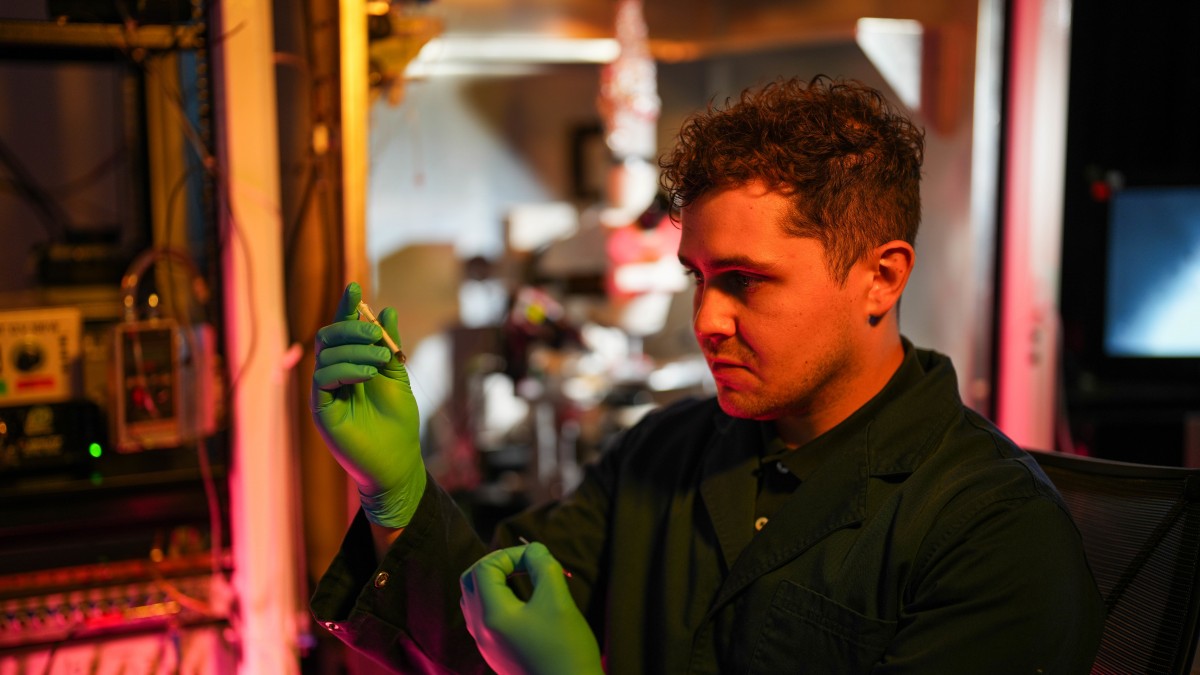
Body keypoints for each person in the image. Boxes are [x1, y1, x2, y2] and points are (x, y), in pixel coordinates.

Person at [310, 76, 1103, 674]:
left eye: (745, 280)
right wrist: (398, 493)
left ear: (881, 277)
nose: (705, 321)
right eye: (697, 276)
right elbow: (486, 622)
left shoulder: (993, 534)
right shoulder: (664, 455)